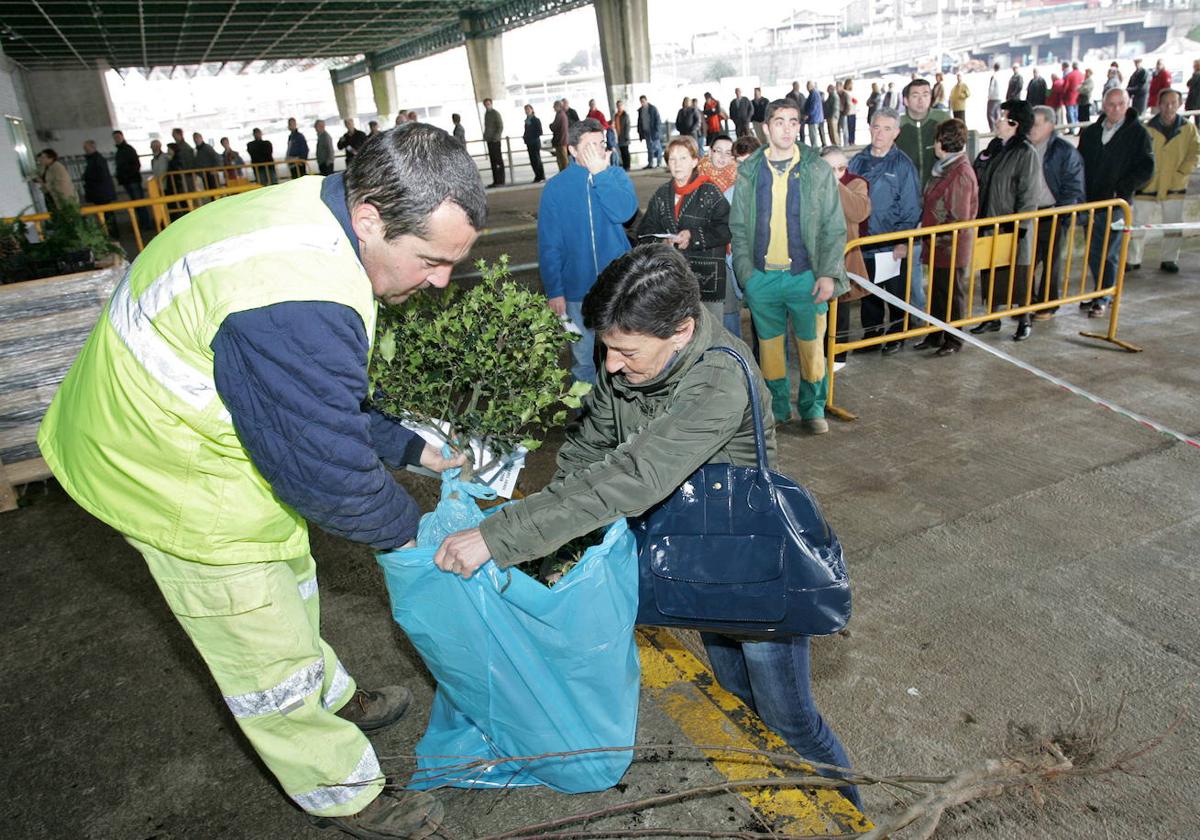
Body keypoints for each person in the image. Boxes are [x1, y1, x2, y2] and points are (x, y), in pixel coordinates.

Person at [36, 123, 487, 839]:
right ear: (370, 217)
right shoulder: (296, 298)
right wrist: (422, 536)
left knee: (291, 577)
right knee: (255, 634)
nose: (440, 282)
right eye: (432, 261)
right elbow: (329, 475)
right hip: (163, 470)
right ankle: (348, 795)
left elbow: (312, 401)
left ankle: (333, 696)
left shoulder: (320, 220)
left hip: (215, 432)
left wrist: (412, 450)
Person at [432, 244, 862, 811]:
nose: (610, 366)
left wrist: (502, 536)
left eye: (625, 352)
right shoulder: (627, 356)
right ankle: (784, 805)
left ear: (682, 331)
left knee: (791, 721)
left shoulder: (719, 379)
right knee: (736, 700)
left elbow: (633, 475)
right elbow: (589, 451)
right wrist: (550, 541)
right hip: (698, 564)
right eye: (606, 348)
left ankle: (851, 815)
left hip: (751, 572)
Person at [730, 99, 848, 432]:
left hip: (806, 277)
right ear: (765, 128)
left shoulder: (817, 169)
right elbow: (738, 227)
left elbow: (833, 227)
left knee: (812, 350)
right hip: (762, 279)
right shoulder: (749, 171)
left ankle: (813, 410)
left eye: (793, 122)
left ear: (800, 126)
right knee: (770, 353)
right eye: (779, 121)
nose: (787, 128)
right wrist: (746, 274)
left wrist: (827, 274)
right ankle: (778, 411)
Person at [536, 117, 638, 384]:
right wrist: (554, 289)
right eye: (589, 145)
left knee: (626, 356)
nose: (598, 150)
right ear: (572, 149)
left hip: (618, 288)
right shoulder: (556, 188)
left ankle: (626, 416)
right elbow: (549, 244)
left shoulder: (614, 176)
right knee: (582, 362)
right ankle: (587, 420)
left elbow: (625, 213)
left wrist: (602, 175)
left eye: (601, 144)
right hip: (575, 290)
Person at [847, 107, 922, 355]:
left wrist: (902, 242)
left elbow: (911, 207)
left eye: (887, 128)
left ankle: (897, 334)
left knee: (895, 291)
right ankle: (872, 333)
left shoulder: (903, 165)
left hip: (891, 243)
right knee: (869, 291)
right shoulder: (858, 161)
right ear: (870, 128)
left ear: (896, 133)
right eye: (876, 127)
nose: (880, 133)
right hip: (864, 241)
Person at [637, 136, 731, 327]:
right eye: (672, 159)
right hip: (673, 278)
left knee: (710, 332)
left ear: (695, 161)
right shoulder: (662, 194)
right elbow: (645, 231)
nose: (677, 164)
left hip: (707, 278)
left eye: (683, 158)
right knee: (679, 334)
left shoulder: (710, 191)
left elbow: (726, 228)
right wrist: (661, 243)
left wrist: (694, 237)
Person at [1077, 87, 1154, 317]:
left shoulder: (1138, 133)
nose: (1116, 109)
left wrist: (1123, 189)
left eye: (1121, 104)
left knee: (1109, 251)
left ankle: (1104, 296)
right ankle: (1100, 290)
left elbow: (1146, 168)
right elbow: (1079, 164)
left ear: (1128, 104)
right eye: (1111, 104)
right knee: (1093, 251)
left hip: (1116, 203)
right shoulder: (1091, 133)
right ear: (1103, 105)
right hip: (1091, 203)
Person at [969, 99, 1041, 342]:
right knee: (991, 271)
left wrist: (1021, 226)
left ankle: (1024, 318)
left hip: (1013, 225)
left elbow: (1029, 194)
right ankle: (992, 317)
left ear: (1015, 124)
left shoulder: (1025, 153)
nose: (997, 121)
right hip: (990, 221)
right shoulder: (995, 147)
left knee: (1018, 273)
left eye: (1003, 117)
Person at [914, 119, 977, 357]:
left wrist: (936, 233)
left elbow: (959, 217)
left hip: (950, 245)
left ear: (943, 143)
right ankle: (936, 333)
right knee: (940, 291)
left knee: (952, 292)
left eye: (936, 139)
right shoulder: (947, 168)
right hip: (940, 243)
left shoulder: (959, 172)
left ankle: (954, 338)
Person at [1129, 89, 1198, 274]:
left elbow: (1195, 152)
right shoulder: (1145, 128)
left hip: (1175, 184)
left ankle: (1169, 258)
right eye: (1165, 103)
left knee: (1174, 223)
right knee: (1138, 223)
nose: (1169, 107)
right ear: (1159, 104)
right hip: (1148, 184)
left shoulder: (1188, 129)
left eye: (1173, 103)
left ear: (1179, 104)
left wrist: (1183, 171)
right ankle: (1133, 259)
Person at [1027, 106, 1085, 321]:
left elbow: (1073, 185)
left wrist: (1062, 212)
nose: (1032, 128)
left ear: (1050, 125)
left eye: (1037, 124)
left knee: (1051, 261)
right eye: (1030, 123)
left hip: (1053, 213)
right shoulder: (1024, 147)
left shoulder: (1064, 151)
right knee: (1027, 260)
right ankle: (1027, 300)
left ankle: (1047, 305)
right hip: (1028, 214)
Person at [818, 146, 871, 369]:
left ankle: (838, 356)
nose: (836, 173)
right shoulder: (809, 185)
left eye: (840, 168)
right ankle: (819, 354)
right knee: (819, 310)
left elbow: (859, 211)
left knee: (840, 310)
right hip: (816, 260)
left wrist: (836, 184)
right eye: (828, 169)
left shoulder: (856, 183)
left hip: (844, 257)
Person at [897, 78, 950, 188]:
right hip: (906, 192)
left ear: (931, 98)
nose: (921, 100)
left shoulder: (943, 120)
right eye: (915, 96)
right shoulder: (897, 125)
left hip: (938, 190)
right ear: (906, 101)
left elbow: (957, 155)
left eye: (925, 95)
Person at [81, 139, 117, 205]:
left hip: (100, 192)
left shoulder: (97, 160)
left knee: (106, 212)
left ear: (92, 147)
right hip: (100, 192)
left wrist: (87, 177)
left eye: (86, 147)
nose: (85, 149)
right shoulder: (94, 159)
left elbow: (101, 175)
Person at [482, 98, 505, 187]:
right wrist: (485, 136)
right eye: (486, 104)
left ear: (491, 103)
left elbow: (500, 126)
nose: (487, 105)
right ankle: (496, 180)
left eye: (488, 103)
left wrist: (496, 137)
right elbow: (487, 127)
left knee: (498, 160)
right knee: (493, 161)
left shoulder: (495, 113)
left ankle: (500, 180)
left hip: (495, 141)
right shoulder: (487, 114)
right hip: (490, 141)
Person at [637, 95, 663, 169]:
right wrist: (640, 132)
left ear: (646, 100)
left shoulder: (653, 109)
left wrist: (657, 130)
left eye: (643, 101)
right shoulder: (640, 110)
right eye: (641, 102)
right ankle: (650, 163)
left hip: (653, 131)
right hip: (646, 132)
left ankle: (659, 163)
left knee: (657, 147)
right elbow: (639, 122)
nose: (642, 103)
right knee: (649, 148)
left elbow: (658, 120)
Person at [523, 104, 545, 183]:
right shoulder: (527, 120)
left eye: (528, 109)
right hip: (529, 143)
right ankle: (537, 175)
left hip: (535, 142)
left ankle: (541, 176)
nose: (527, 111)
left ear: (532, 110)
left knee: (537, 159)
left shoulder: (536, 120)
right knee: (532, 160)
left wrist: (530, 136)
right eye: (526, 109)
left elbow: (540, 132)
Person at [1063, 62, 1083, 131]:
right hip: (1078, 96)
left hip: (1070, 96)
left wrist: (1063, 94)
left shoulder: (1070, 75)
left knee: (1070, 112)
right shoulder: (1081, 75)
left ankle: (1072, 129)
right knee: (1076, 112)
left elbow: (1065, 87)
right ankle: (1076, 126)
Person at [804, 81, 826, 147]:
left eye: (808, 86)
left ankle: (815, 149)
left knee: (813, 136)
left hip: (813, 118)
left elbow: (813, 106)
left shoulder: (813, 94)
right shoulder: (816, 93)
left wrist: (807, 114)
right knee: (814, 135)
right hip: (817, 117)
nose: (807, 87)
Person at [551, 100, 571, 171]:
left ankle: (565, 174)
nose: (553, 107)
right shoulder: (562, 114)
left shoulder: (560, 115)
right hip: (562, 139)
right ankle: (564, 173)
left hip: (561, 140)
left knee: (562, 159)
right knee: (562, 158)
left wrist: (551, 126)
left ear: (558, 106)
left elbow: (554, 126)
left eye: (554, 106)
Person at [613, 100, 632, 170]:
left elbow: (627, 126)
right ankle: (624, 165)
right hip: (618, 136)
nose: (619, 107)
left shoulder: (625, 115)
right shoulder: (616, 115)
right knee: (621, 152)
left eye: (620, 105)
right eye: (618, 105)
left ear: (622, 106)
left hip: (624, 136)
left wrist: (626, 136)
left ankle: (628, 166)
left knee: (625, 151)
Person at [987, 63, 1003, 131]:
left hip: (993, 98)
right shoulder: (1002, 76)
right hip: (999, 98)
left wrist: (989, 96)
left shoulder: (994, 76)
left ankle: (993, 129)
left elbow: (991, 87)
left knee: (990, 113)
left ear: (994, 68)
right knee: (998, 114)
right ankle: (999, 128)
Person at [1187, 59, 1200, 127]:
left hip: (1194, 102)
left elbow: (1189, 83)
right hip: (1196, 103)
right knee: (1197, 121)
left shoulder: (1197, 75)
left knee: (1185, 119)